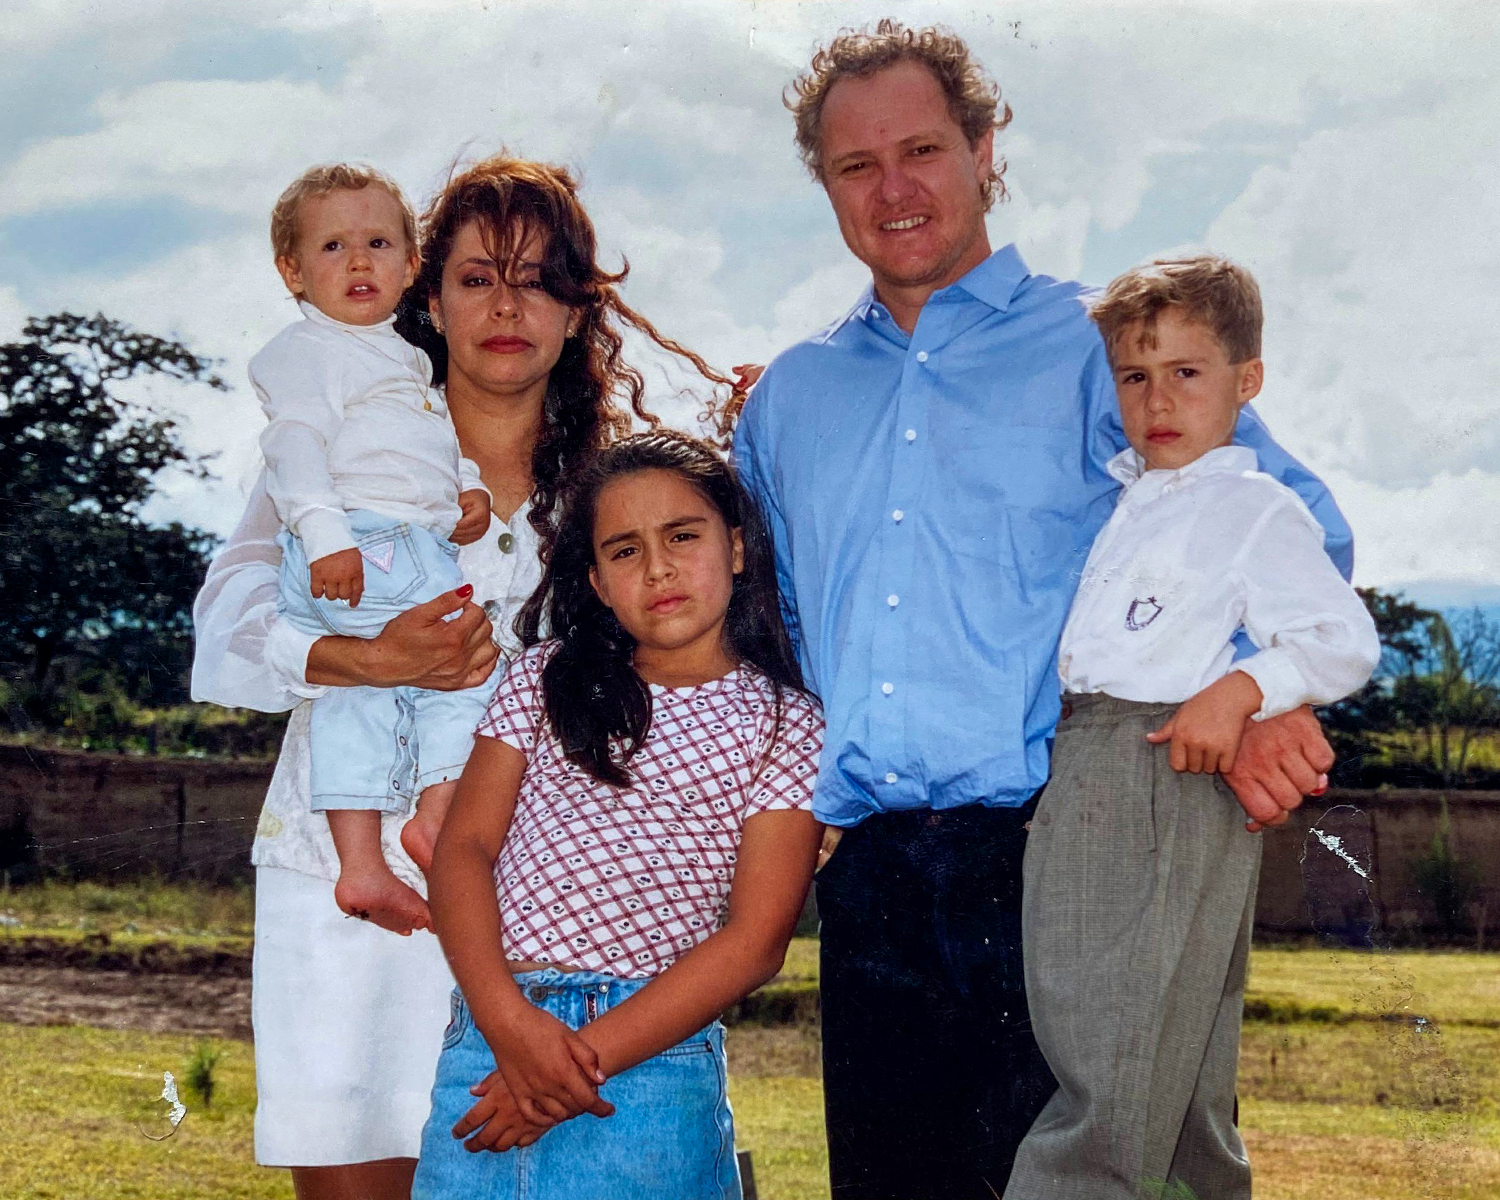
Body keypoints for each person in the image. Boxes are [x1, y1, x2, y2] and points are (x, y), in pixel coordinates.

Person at [731, 20, 1353, 1200]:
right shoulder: (789, 399)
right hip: (871, 883)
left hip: (1073, 850)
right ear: (824, 184)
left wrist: (1254, 685)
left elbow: (1287, 523)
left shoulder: (1105, 345)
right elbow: (766, 630)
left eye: (921, 150)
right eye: (856, 167)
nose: (893, 189)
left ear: (983, 146)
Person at [192, 155, 731, 1200]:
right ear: (426, 298)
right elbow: (225, 621)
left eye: (538, 280)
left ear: (579, 312)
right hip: (346, 881)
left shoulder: (622, 492)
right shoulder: (339, 451)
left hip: (550, 917)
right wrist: (368, 658)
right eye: (478, 277)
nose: (507, 306)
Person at [1005, 256, 1380, 1200]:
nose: (1156, 398)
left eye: (1187, 372)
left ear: (1246, 381)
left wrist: (1243, 690)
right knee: (1166, 1061)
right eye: (1134, 376)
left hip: (1159, 781)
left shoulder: (1250, 505)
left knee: (1113, 1056)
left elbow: (1342, 640)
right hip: (1092, 765)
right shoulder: (1135, 495)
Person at [411, 431, 822, 1200]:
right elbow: (462, 850)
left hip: (650, 1064)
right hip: (492, 1048)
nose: (659, 567)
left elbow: (756, 942)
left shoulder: (786, 722)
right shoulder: (541, 679)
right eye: (625, 550)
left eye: (683, 536)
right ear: (596, 581)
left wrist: (574, 1060)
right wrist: (509, 1024)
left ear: (736, 548)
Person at [246, 163, 495, 935]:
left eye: (379, 242)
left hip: (404, 540)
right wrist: (324, 539)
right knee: (463, 678)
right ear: (291, 271)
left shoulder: (403, 358)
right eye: (332, 246)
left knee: (363, 696)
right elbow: (292, 447)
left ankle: (362, 865)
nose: (358, 262)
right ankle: (433, 819)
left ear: (410, 264)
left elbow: (418, 440)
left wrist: (464, 482)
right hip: (363, 541)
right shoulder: (306, 350)